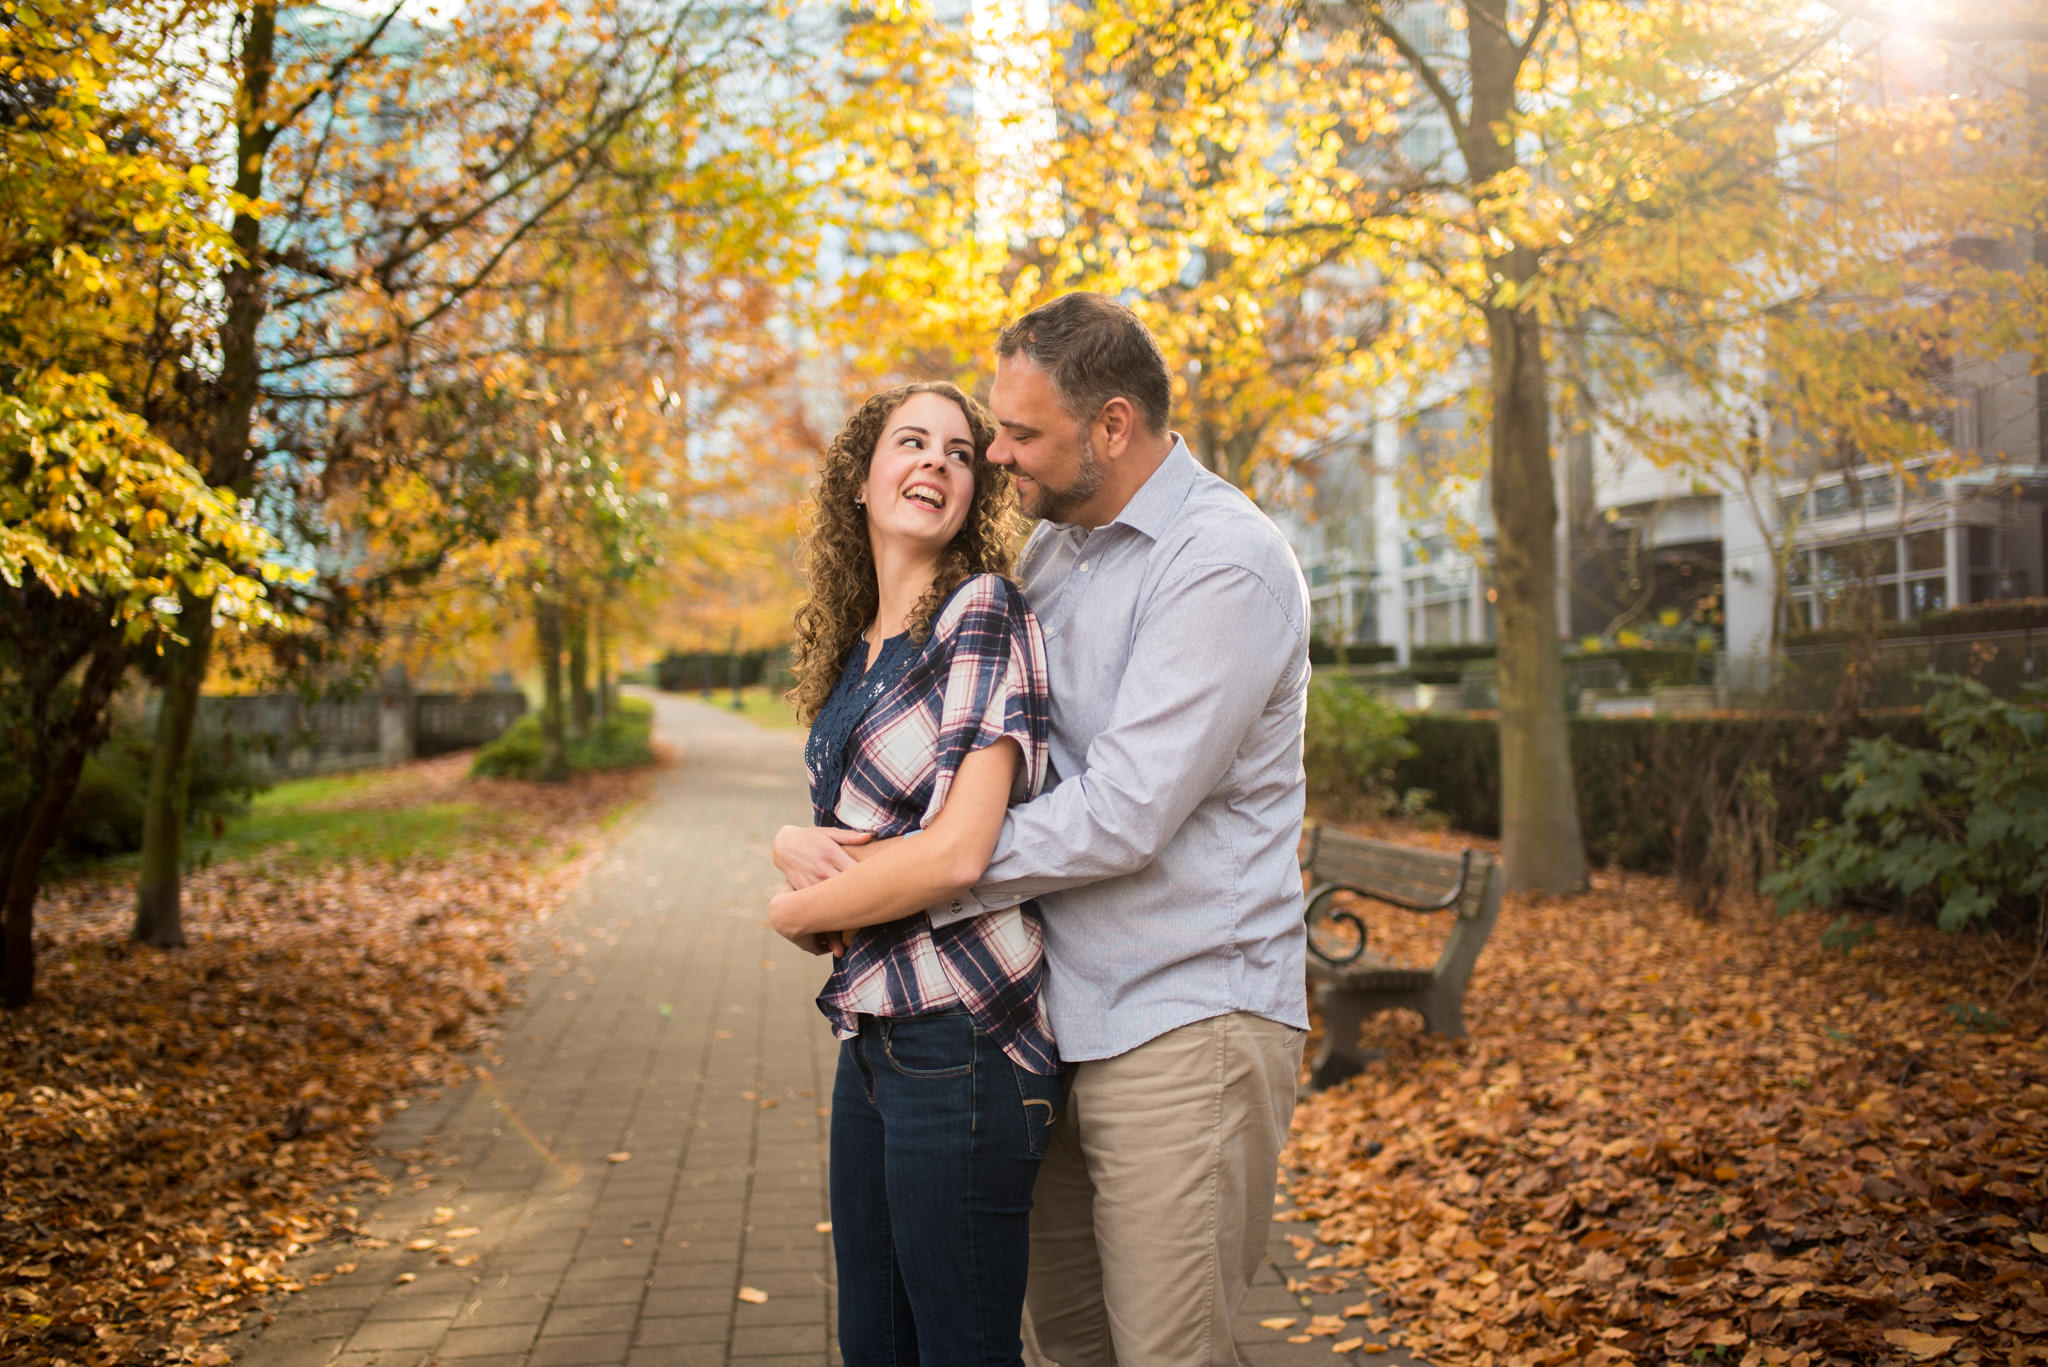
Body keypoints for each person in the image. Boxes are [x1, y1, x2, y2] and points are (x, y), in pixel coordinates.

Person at [777, 293, 1312, 1366]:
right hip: (1053, 1016)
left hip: (1184, 1012)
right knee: (1072, 1342)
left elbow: (1121, 811)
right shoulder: (1059, 551)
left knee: (1166, 1348)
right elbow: (977, 755)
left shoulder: (1222, 562)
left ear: (1110, 425)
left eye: (1018, 435)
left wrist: (911, 872)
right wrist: (826, 844)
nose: (1000, 457)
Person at [765, 380, 1060, 1367]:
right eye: (909, 441)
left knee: (960, 1350)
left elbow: (955, 851)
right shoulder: (855, 654)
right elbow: (841, 893)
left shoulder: (980, 612)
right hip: (872, 1034)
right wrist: (791, 856)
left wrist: (785, 905)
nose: (933, 460)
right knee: (873, 1345)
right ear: (860, 476)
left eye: (959, 451)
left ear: (975, 491)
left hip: (963, 1036)